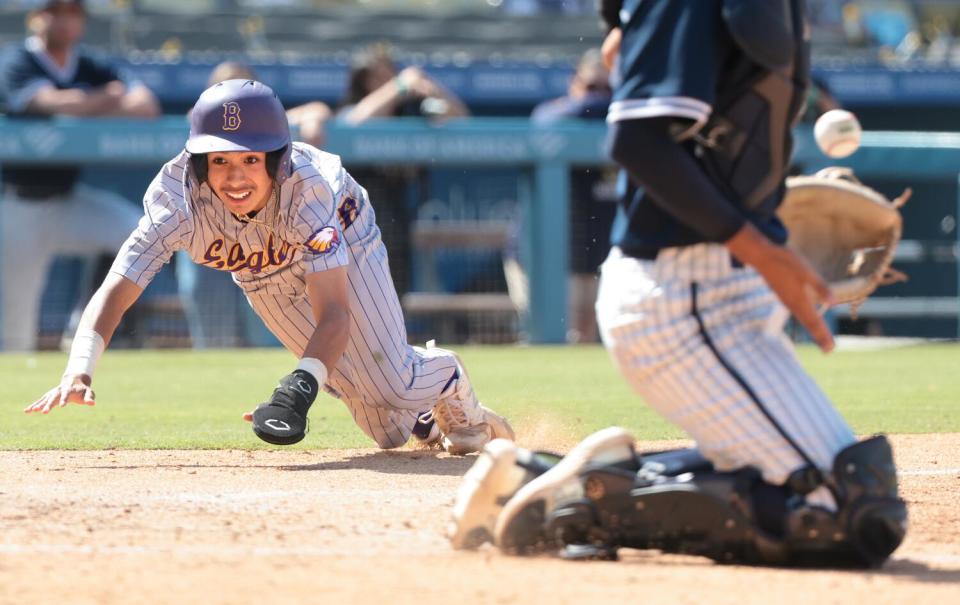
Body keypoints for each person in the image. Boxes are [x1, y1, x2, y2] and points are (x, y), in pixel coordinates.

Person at [449, 0, 906, 567]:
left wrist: (771, 226)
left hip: (727, 298)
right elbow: (639, 143)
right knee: (845, 514)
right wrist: (766, 250)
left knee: (851, 491)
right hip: (684, 302)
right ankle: (581, 498)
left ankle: (542, 482)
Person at [23, 79, 515, 456]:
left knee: (390, 381)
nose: (234, 177)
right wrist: (80, 369)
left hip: (347, 237)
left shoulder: (310, 191)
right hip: (261, 270)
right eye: (218, 161)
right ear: (198, 163)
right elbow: (118, 289)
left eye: (249, 159)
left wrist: (297, 389)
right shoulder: (176, 201)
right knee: (386, 432)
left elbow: (335, 314)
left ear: (276, 161)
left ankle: (444, 377)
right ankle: (421, 414)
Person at [0, 0, 160, 351]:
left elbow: (146, 104)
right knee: (15, 328)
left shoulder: (87, 64)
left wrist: (87, 101)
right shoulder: (16, 60)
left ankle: (81, 324)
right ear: (35, 17)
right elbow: (45, 101)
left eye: (72, 11)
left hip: (66, 200)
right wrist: (104, 98)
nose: (63, 18)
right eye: (54, 10)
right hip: (19, 206)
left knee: (135, 231)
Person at [531, 48, 616, 342]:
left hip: (597, 247)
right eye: (592, 88)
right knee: (547, 332)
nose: (600, 98)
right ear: (574, 85)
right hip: (550, 248)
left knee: (587, 333)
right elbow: (543, 121)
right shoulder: (555, 112)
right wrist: (592, 104)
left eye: (608, 89)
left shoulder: (623, 120)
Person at [338, 43, 469, 125]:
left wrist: (433, 89)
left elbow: (462, 119)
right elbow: (355, 122)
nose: (387, 80)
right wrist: (399, 85)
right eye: (378, 77)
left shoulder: (412, 108)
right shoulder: (351, 108)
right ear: (363, 82)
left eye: (390, 73)